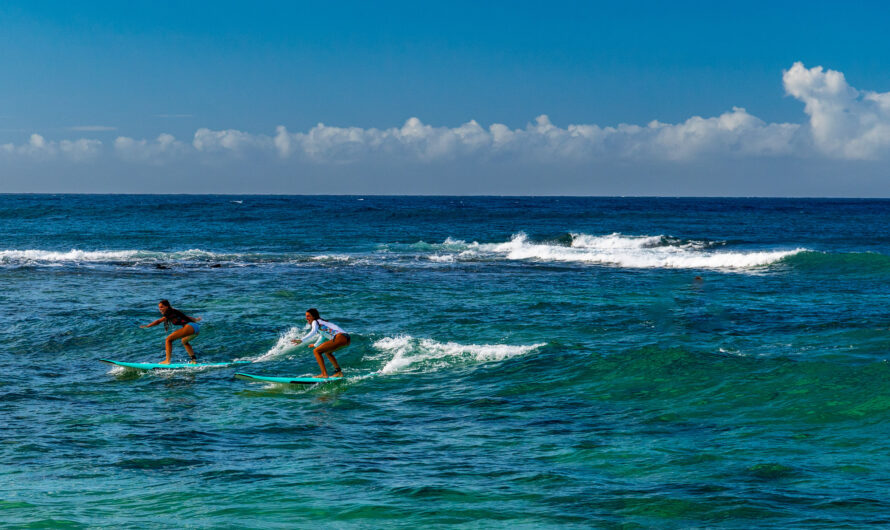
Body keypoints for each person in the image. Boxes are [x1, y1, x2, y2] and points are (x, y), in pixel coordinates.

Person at [291, 308, 349, 378]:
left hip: (340, 337)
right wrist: (315, 345)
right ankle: (338, 372)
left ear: (314, 316)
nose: (306, 318)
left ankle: (324, 374)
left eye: (308, 316)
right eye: (306, 316)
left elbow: (313, 331)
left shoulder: (315, 321)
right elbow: (323, 336)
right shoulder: (321, 322)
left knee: (316, 351)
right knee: (327, 352)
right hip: (346, 339)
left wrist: (301, 340)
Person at [140, 299, 202, 364]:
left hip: (190, 326)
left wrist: (147, 326)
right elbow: (186, 317)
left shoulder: (169, 313)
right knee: (184, 341)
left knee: (168, 339)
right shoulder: (173, 312)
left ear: (167, 306)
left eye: (161, 307)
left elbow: (158, 321)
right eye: (159, 307)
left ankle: (167, 360)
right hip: (196, 328)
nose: (160, 309)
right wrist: (196, 319)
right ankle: (193, 360)